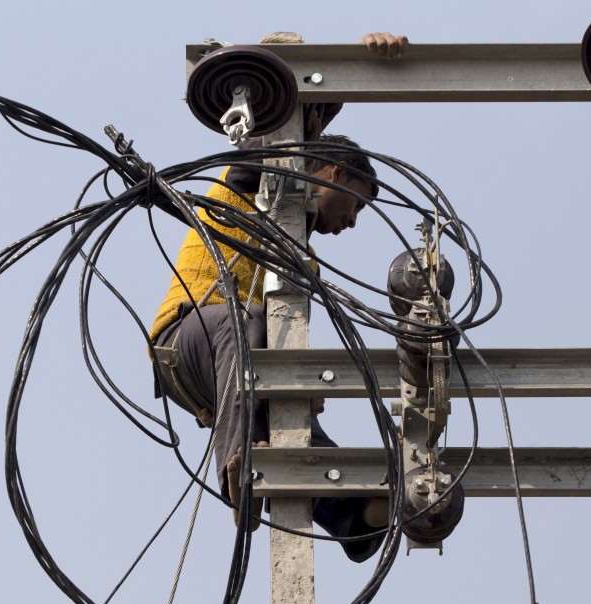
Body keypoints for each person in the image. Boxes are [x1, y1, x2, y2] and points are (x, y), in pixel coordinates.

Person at [149, 32, 407, 562]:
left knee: (309, 449)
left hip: (238, 378)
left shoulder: (296, 253)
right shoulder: (251, 181)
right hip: (187, 339)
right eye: (355, 205)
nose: (352, 222)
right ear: (332, 173)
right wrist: (358, 60)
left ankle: (365, 514)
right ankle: (240, 463)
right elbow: (279, 101)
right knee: (243, 322)